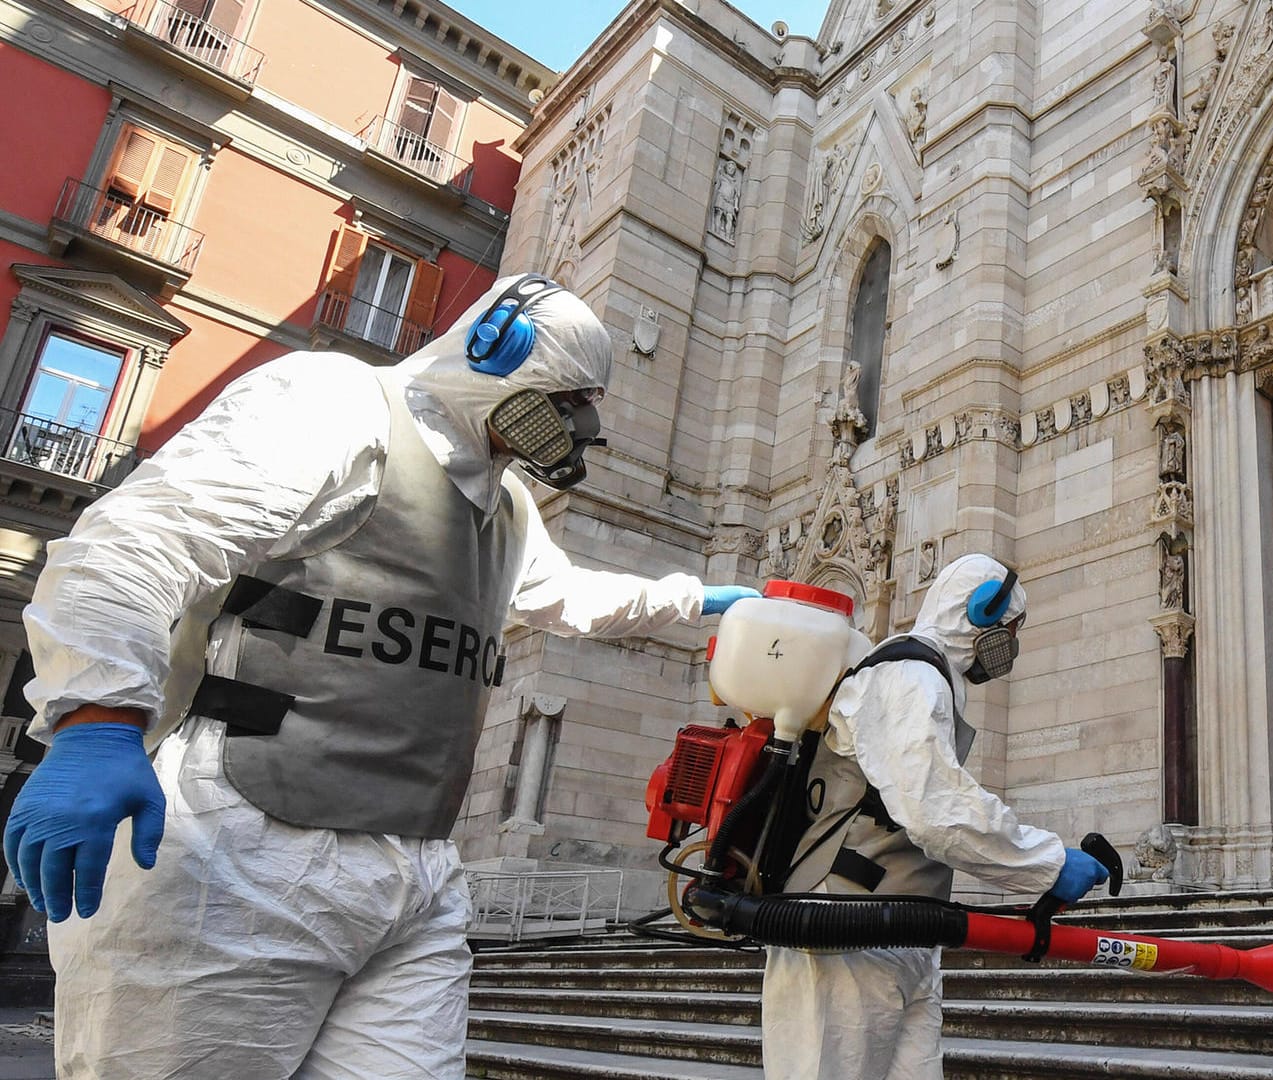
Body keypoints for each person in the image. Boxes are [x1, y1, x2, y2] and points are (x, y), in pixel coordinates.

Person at [1, 273, 760, 1079]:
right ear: (492, 346)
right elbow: (141, 542)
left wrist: (696, 598)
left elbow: (567, 597)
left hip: (416, 874)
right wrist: (96, 723)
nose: (579, 423)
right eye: (567, 397)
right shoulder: (335, 402)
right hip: (237, 853)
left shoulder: (505, 511)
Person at [760, 554, 1110, 1080]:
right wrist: (1050, 861)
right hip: (843, 934)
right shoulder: (908, 676)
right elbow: (935, 808)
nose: (1012, 645)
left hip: (901, 935)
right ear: (981, 612)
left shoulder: (931, 677)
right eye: (1011, 629)